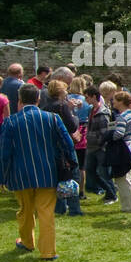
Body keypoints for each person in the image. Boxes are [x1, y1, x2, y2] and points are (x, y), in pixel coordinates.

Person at [0, 84, 77, 260]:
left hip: (20, 175)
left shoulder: (10, 122)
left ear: (19, 101)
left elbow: (5, 152)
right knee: (46, 212)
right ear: (38, 99)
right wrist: (72, 164)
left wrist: (2, 176)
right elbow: (68, 144)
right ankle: (48, 251)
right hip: (48, 173)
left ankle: (27, 242)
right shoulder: (53, 118)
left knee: (25, 210)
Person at [40, 79, 83, 217]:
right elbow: (72, 125)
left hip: (51, 145)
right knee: (72, 175)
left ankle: (59, 207)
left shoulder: (45, 107)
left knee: (58, 176)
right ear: (61, 91)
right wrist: (72, 112)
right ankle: (74, 208)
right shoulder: (62, 106)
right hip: (65, 144)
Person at [83, 86, 117, 205]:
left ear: (93, 97)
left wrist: (91, 138)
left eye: (87, 97)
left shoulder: (102, 113)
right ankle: (109, 192)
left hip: (100, 148)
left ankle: (112, 195)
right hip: (91, 147)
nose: (85, 100)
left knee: (104, 173)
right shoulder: (91, 110)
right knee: (91, 172)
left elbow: (104, 133)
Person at [108, 91, 131, 213]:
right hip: (129, 148)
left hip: (122, 150)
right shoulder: (129, 114)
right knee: (127, 178)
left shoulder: (122, 117)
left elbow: (118, 134)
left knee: (123, 180)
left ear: (121, 102)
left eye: (115, 100)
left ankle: (129, 206)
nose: (113, 102)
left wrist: (109, 134)